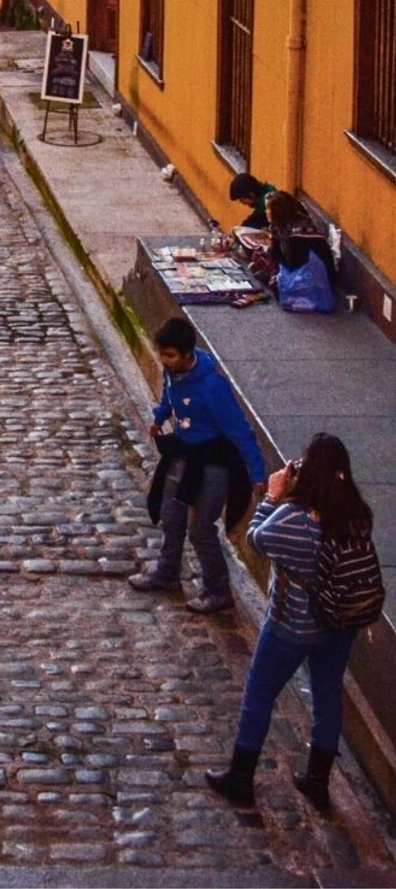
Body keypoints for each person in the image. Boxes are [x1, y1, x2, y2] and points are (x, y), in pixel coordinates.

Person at [206, 433, 374, 813]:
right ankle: (317, 782)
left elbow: (256, 539)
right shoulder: (358, 514)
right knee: (327, 694)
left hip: (292, 625)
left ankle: (241, 777)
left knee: (260, 691)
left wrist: (272, 496)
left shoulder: (295, 520)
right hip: (339, 624)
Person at [128, 315, 266, 612]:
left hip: (213, 463)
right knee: (171, 514)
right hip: (183, 455)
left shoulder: (213, 388)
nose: (164, 361)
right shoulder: (172, 373)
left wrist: (257, 473)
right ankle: (167, 571)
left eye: (170, 356)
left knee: (201, 529)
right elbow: (169, 395)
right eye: (162, 355)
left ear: (188, 354)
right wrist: (160, 416)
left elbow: (240, 431)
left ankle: (218, 590)